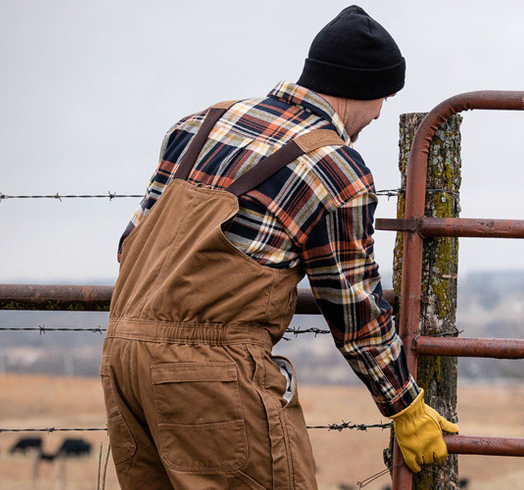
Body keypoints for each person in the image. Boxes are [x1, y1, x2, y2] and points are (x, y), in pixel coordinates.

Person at [99, 5, 458, 489]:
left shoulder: (200, 124)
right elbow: (352, 307)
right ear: (365, 87)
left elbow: (131, 245)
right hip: (209, 377)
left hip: (122, 358)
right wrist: (403, 405)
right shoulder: (335, 167)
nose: (378, 114)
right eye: (384, 99)